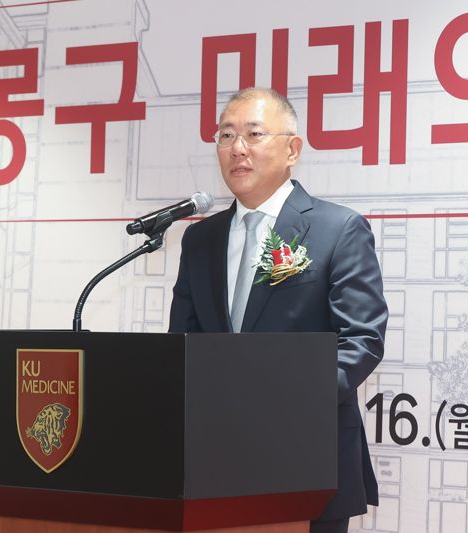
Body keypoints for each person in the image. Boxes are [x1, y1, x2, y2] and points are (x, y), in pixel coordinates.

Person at [169, 87, 388, 533]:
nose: (237, 148)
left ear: (292, 150)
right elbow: (182, 346)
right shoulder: (199, 240)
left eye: (253, 134)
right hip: (213, 466)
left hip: (307, 463)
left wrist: (278, 405)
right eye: (226, 136)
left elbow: (361, 341)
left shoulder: (338, 229)